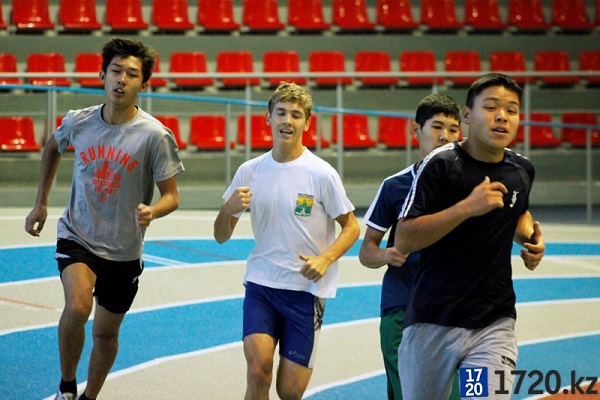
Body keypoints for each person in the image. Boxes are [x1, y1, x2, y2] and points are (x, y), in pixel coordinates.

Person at [24, 37, 185, 400]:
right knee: (78, 306)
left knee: (106, 335)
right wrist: (41, 203)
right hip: (78, 234)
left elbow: (172, 196)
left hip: (124, 249)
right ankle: (67, 386)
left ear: (144, 85)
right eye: (116, 71)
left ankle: (89, 396)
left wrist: (153, 211)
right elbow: (52, 147)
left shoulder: (155, 136)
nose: (121, 79)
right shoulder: (78, 122)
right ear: (102, 75)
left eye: (132, 74)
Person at [395, 73, 545, 400]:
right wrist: (465, 208)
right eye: (490, 107)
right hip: (433, 322)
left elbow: (518, 213)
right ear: (467, 115)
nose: (502, 116)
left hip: (493, 325)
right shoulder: (440, 165)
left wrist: (531, 240)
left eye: (511, 110)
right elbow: (404, 238)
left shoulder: (522, 171)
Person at [213, 82, 360, 400]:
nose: (287, 121)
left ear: (307, 123)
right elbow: (221, 236)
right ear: (268, 117)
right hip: (262, 283)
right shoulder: (250, 171)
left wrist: (325, 258)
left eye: (296, 115)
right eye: (280, 113)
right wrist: (226, 210)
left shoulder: (321, 174)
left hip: (306, 291)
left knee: (289, 392)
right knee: (258, 371)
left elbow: (351, 227)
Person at [358, 94, 462, 400]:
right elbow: (367, 250)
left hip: (457, 316)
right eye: (437, 127)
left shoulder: (472, 188)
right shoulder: (395, 186)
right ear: (415, 130)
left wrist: (529, 241)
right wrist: (386, 254)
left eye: (453, 129)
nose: (445, 136)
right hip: (403, 312)